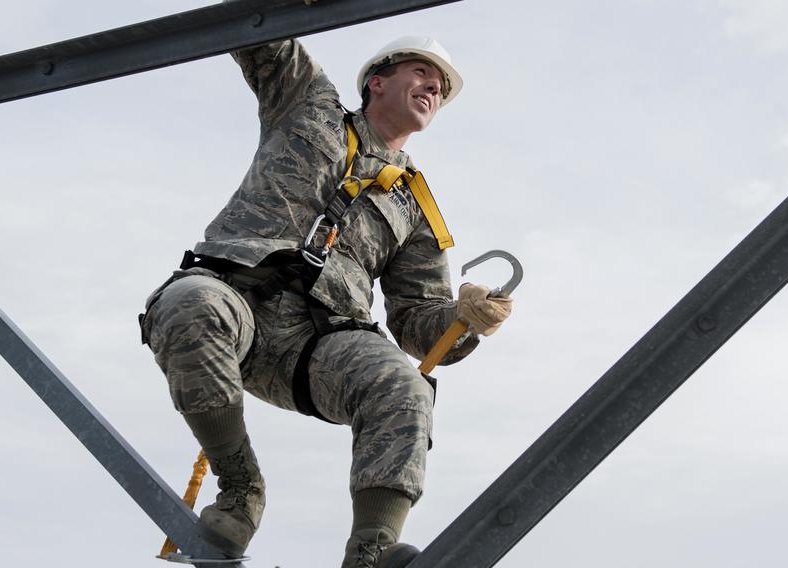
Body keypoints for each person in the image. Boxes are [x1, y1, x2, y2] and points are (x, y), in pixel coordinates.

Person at [139, 32, 513, 568]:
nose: (434, 86)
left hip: (318, 348)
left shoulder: (415, 210)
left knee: (404, 387)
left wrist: (466, 319)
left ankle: (371, 551)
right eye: (421, 73)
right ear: (377, 81)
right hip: (237, 302)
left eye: (442, 87)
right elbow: (258, 32)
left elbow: (417, 327)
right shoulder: (306, 102)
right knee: (190, 304)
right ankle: (240, 491)